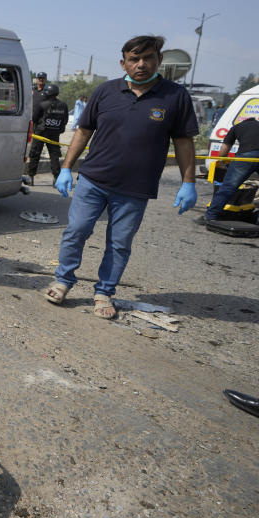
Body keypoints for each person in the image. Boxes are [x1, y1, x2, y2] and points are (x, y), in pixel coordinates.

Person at [44, 35, 198, 319]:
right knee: (76, 231)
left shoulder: (175, 96)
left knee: (119, 243)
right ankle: (63, 280)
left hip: (135, 189)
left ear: (158, 60)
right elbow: (83, 131)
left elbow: (184, 142)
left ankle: (104, 292)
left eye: (148, 58)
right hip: (93, 180)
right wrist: (66, 167)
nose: (141, 64)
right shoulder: (105, 92)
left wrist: (189, 182)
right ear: (123, 63)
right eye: (134, 59)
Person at [197, 115, 259, 224]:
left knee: (227, 188)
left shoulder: (236, 127)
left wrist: (222, 163)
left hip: (246, 156)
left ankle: (210, 216)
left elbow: (224, 151)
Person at [25, 83, 68, 184]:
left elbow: (34, 119)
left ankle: (31, 177)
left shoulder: (42, 104)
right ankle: (56, 178)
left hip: (40, 133)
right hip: (54, 134)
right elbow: (65, 120)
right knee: (54, 156)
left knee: (35, 154)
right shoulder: (63, 105)